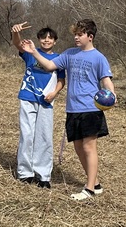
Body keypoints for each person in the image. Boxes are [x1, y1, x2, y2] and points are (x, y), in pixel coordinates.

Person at [25, 18, 114, 201]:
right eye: (75, 34)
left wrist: (111, 95)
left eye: (80, 34)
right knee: (78, 147)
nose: (76, 37)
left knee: (89, 147)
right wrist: (34, 52)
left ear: (90, 36)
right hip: (73, 109)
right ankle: (95, 183)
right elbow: (50, 66)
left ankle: (88, 189)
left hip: (91, 108)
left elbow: (106, 81)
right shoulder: (69, 54)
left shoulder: (99, 58)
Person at [11, 23, 64, 189]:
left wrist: (55, 93)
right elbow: (17, 44)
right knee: (27, 135)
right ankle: (25, 173)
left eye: (50, 38)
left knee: (44, 136)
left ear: (55, 41)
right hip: (28, 97)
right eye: (43, 37)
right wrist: (16, 33)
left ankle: (43, 175)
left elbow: (62, 80)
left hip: (46, 101)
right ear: (39, 39)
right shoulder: (30, 52)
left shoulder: (59, 58)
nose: (46, 40)